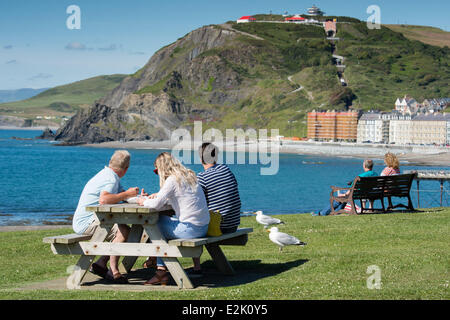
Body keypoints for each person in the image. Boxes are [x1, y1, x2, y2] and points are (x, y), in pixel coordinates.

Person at [138, 152, 210, 285]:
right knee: (160, 222)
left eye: (157, 170)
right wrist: (158, 196)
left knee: (155, 223)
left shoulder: (172, 180)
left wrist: (143, 201)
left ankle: (160, 271)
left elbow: (155, 205)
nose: (157, 173)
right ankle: (159, 268)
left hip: (190, 230)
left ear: (162, 168)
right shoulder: (189, 175)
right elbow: (181, 199)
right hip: (203, 228)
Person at [73, 150, 141, 284]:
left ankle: (101, 263)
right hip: (86, 222)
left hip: (90, 219)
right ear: (126, 169)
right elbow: (104, 199)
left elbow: (121, 194)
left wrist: (136, 196)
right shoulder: (110, 179)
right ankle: (113, 271)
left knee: (125, 229)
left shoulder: (109, 175)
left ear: (110, 162)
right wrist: (127, 194)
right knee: (124, 231)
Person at [189, 142, 242, 276]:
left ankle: (196, 268)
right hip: (233, 224)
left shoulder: (203, 177)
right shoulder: (226, 170)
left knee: (192, 222)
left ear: (200, 158)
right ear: (216, 156)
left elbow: (193, 203)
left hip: (219, 227)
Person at [313, 159, 378, 216]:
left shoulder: (360, 176)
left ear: (364, 166)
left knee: (341, 196)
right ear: (372, 166)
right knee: (343, 197)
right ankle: (336, 211)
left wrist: (345, 194)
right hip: (369, 193)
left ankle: (323, 213)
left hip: (358, 193)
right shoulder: (376, 174)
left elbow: (352, 188)